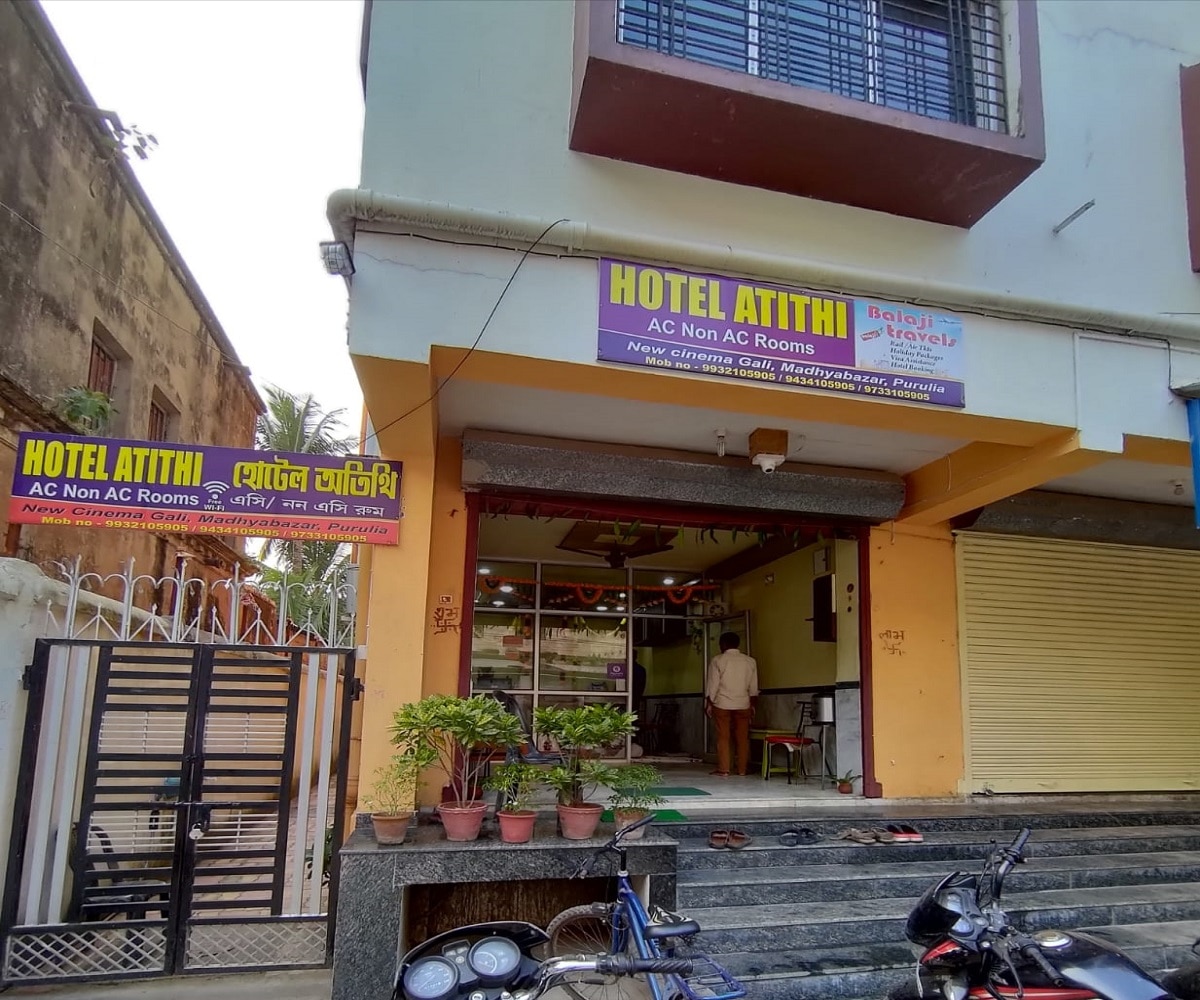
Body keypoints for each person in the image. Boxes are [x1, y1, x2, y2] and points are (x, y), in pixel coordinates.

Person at [705, 632, 758, 777]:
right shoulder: (750, 661)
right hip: (743, 704)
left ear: (723, 644)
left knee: (723, 737)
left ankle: (724, 769)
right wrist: (753, 705)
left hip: (722, 704)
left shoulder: (718, 660)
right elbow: (754, 688)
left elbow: (713, 685)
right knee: (742, 738)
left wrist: (709, 704)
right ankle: (742, 769)